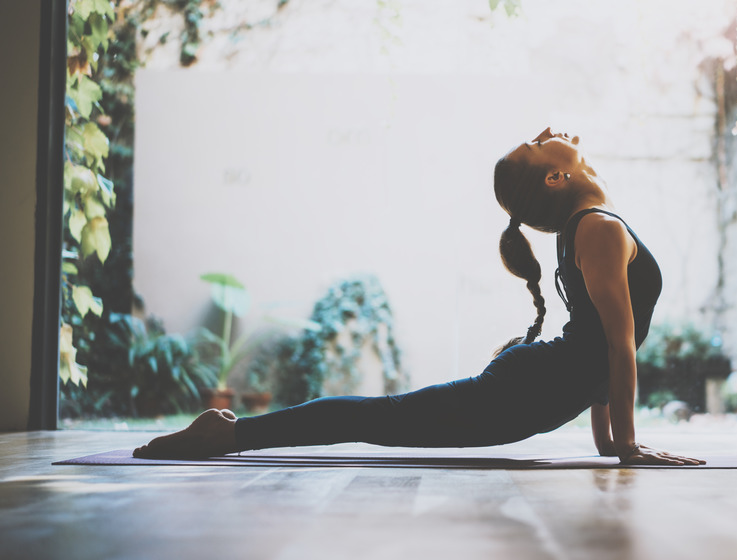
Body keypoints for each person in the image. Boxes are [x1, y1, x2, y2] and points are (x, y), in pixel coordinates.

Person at [134, 127, 705, 466]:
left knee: (386, 419)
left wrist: (610, 442)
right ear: (556, 178)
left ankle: (230, 432)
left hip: (535, 389)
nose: (551, 134)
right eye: (539, 143)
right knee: (383, 418)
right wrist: (624, 444)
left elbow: (601, 348)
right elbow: (615, 344)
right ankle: (228, 433)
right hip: (527, 391)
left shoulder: (587, 225)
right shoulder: (597, 228)